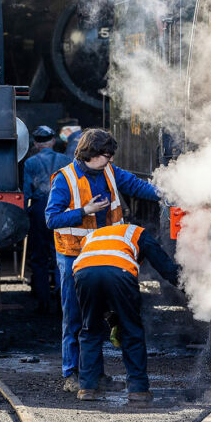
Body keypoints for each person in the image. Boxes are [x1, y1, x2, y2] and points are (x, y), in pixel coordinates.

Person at [46, 128, 162, 392]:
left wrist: (166, 194)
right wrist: (84, 211)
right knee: (75, 317)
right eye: (106, 156)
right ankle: (72, 374)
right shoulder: (64, 179)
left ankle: (94, 376)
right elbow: (51, 219)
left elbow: (137, 186)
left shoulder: (109, 171)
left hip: (103, 255)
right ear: (92, 154)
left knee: (98, 318)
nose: (110, 161)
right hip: (74, 256)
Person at [73, 223, 179, 406]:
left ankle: (87, 387)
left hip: (84, 273)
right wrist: (188, 287)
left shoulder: (95, 236)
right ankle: (138, 390)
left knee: (89, 330)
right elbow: (165, 266)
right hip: (119, 272)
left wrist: (109, 314)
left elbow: (98, 270)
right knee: (131, 330)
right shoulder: (140, 234)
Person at [22, 126, 71, 312]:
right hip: (62, 209)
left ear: (35, 143)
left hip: (40, 209)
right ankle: (62, 299)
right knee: (62, 254)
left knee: (39, 257)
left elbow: (26, 192)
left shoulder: (30, 163)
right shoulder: (66, 161)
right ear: (52, 141)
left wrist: (24, 215)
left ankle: (42, 300)